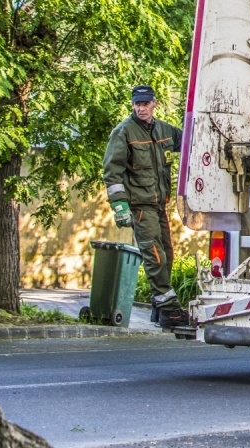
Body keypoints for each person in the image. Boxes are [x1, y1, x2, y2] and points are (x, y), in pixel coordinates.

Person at [103, 85, 187, 329]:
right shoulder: (123, 132)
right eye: (137, 104)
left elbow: (190, 140)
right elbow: (112, 172)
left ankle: (159, 307)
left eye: (145, 103)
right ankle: (169, 311)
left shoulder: (164, 130)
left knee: (166, 255)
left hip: (159, 204)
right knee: (155, 256)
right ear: (132, 105)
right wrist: (120, 206)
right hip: (140, 206)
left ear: (154, 103)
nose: (141, 108)